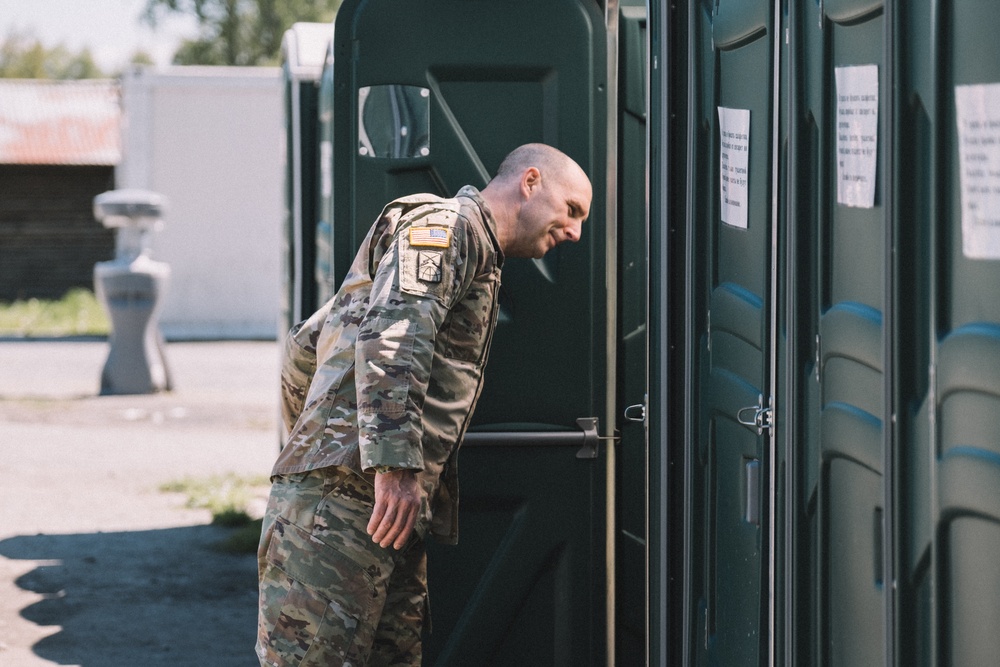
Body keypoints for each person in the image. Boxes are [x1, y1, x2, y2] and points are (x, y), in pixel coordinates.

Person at [256, 143, 592, 667]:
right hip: (345, 502)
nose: (574, 232)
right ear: (530, 182)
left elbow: (310, 342)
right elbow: (392, 333)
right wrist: (388, 464)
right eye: (571, 211)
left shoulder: (476, 252)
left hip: (377, 508)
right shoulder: (446, 230)